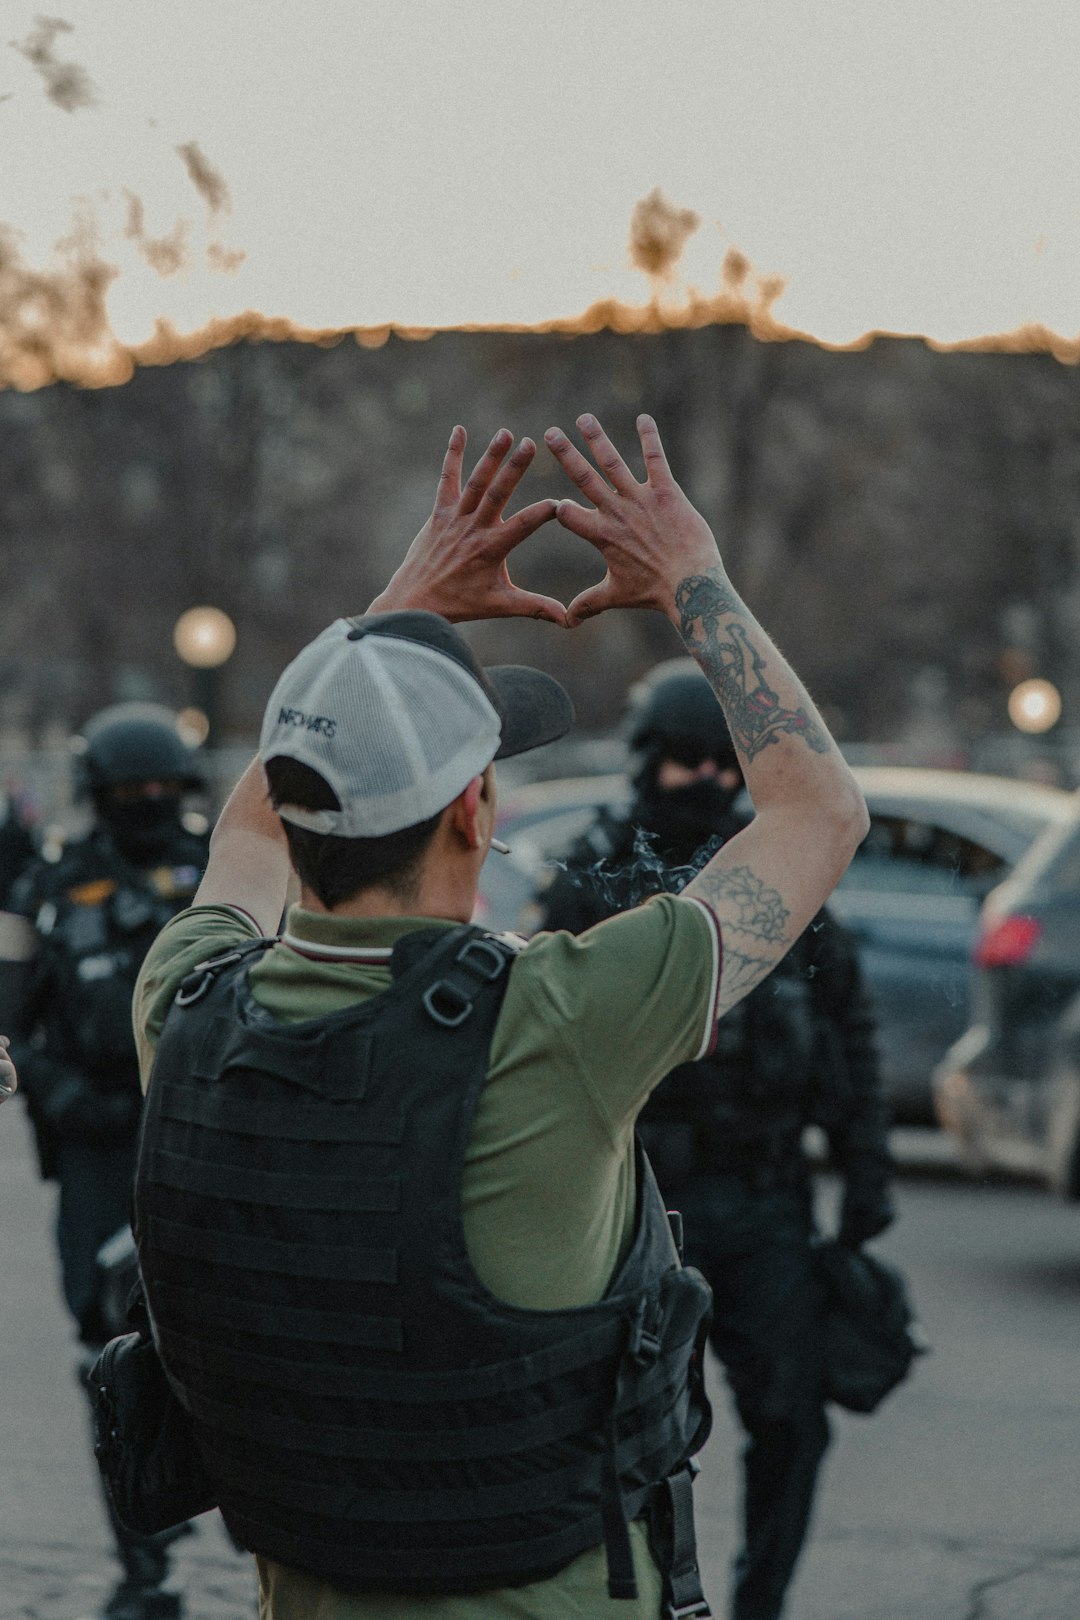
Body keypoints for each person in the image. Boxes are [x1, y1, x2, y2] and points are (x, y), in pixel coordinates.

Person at [130, 415, 868, 1620]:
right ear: (477, 808)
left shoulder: (188, 1000)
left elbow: (248, 831)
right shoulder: (561, 1020)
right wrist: (694, 577)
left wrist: (384, 632)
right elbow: (819, 811)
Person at [538, 657, 894, 1620]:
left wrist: (867, 1173)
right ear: (648, 761)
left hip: (768, 1201)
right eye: (686, 763)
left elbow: (848, 1032)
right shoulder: (594, 879)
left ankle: (760, 1604)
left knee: (791, 1424)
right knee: (636, 1435)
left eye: (724, 764)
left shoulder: (778, 880)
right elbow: (549, 1044)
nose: (710, 783)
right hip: (642, 1209)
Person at [0, 704, 210, 1620]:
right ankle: (145, 1564)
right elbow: (7, 1016)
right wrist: (51, 1085)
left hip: (207, 1140)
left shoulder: (220, 875)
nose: (151, 803)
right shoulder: (44, 888)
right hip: (96, 1150)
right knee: (109, 1356)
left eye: (164, 789)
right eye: (133, 793)